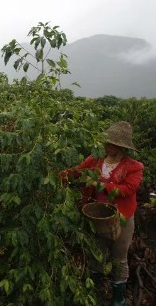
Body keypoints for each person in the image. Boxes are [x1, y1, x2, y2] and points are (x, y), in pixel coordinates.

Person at [63, 121, 144, 305]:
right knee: (96, 253)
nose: (106, 146)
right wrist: (60, 174)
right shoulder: (96, 159)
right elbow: (78, 171)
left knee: (119, 258)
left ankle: (118, 298)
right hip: (96, 216)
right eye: (106, 142)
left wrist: (101, 185)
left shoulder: (134, 166)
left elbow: (129, 189)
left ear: (121, 146)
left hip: (121, 218)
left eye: (111, 143)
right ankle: (94, 290)